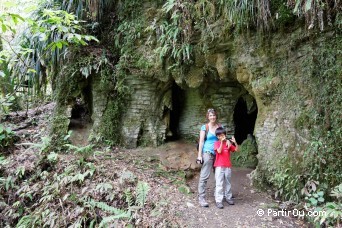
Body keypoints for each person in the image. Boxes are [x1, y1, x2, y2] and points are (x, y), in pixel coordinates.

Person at [197, 108, 220, 207]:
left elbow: (222, 139)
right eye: (210, 115)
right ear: (208, 117)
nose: (212, 117)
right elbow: (201, 142)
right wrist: (199, 155)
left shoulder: (220, 127)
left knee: (218, 175)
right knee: (204, 175)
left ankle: (217, 195)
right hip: (208, 152)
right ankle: (201, 197)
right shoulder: (204, 127)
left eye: (214, 115)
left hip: (218, 154)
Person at [213, 127, 239, 209]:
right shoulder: (216, 143)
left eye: (223, 135)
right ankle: (218, 200)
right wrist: (221, 142)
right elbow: (219, 151)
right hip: (219, 166)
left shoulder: (228, 143)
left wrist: (235, 142)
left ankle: (228, 198)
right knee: (219, 183)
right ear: (217, 136)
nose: (222, 136)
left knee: (228, 183)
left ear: (225, 134)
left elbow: (237, 150)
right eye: (220, 135)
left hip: (227, 166)